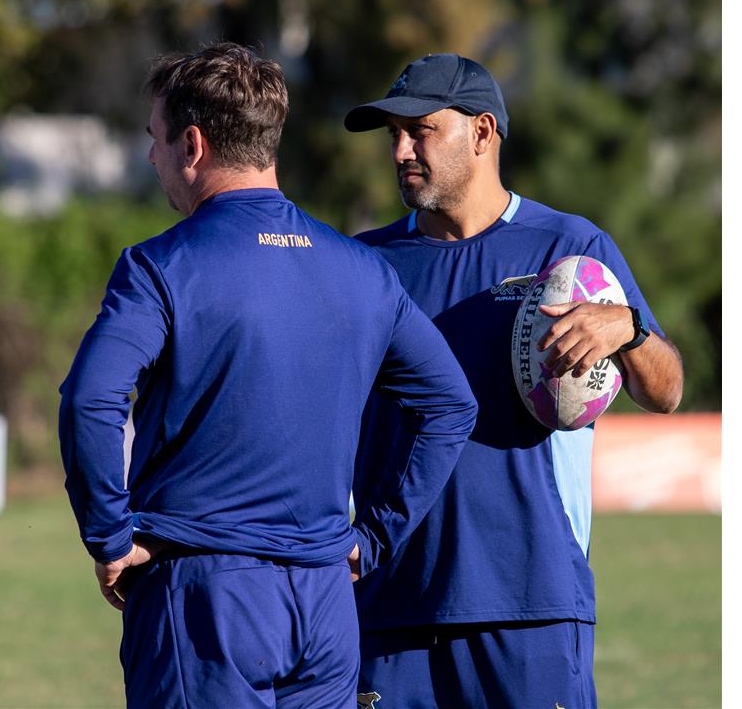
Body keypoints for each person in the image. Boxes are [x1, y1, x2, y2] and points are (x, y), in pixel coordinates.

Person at [58, 42, 479, 708]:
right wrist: (371, 539)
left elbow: (90, 400)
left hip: (204, 598)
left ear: (191, 144)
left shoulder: (160, 265)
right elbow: (452, 405)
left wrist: (108, 536)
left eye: (155, 139)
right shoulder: (363, 270)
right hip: (327, 607)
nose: (151, 158)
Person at [343, 53, 685, 708]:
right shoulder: (364, 265)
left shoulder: (571, 250)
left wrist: (629, 329)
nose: (401, 151)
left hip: (531, 608)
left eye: (422, 130)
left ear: (482, 133)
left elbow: (665, 392)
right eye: (394, 135)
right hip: (391, 612)